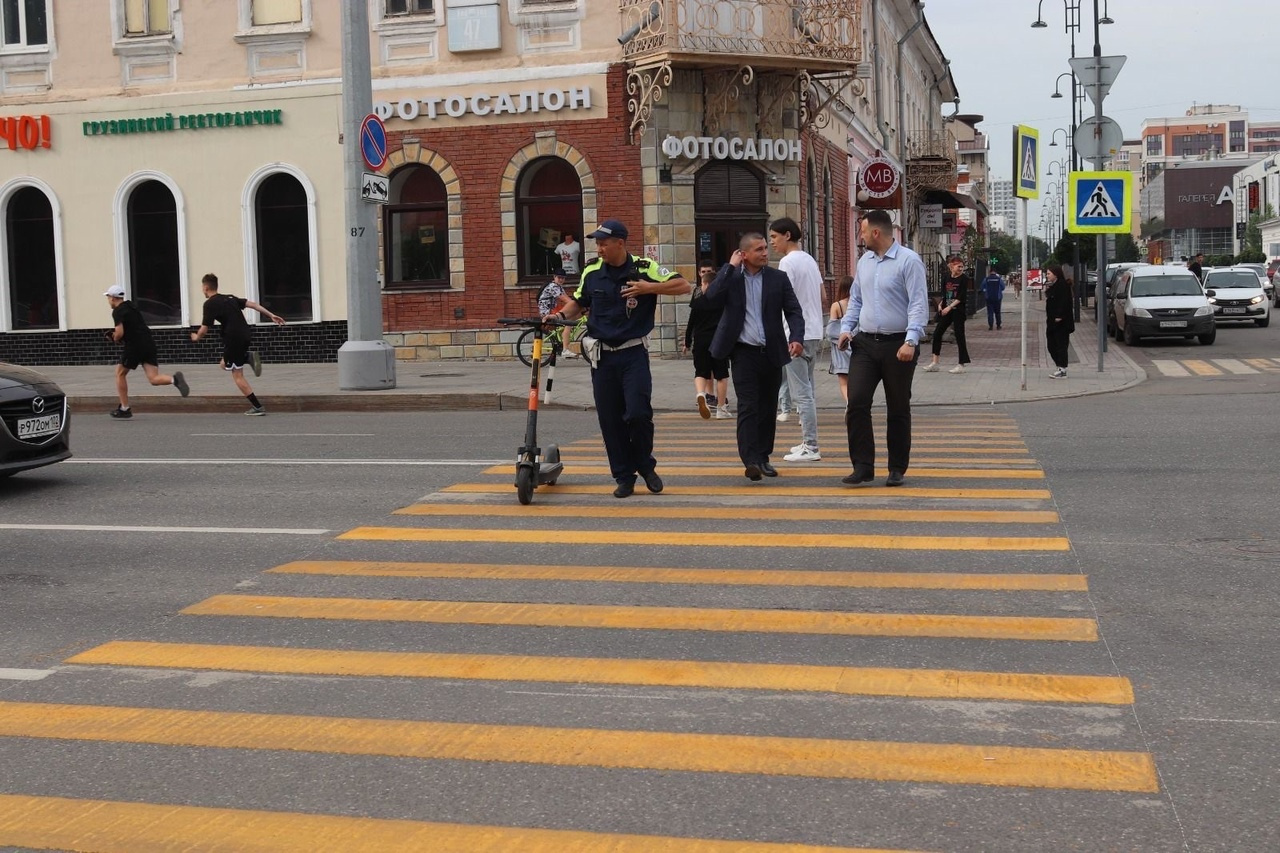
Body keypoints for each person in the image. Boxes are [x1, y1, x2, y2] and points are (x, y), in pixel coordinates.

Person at [545, 220, 690, 498]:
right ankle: (624, 476)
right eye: (597, 243)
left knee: (638, 413)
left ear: (620, 243)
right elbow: (579, 302)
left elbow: (683, 285)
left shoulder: (644, 268)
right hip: (602, 356)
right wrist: (560, 317)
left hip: (633, 353)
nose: (599, 248)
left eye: (603, 243)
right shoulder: (592, 271)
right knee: (610, 420)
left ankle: (645, 466)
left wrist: (648, 289)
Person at [702, 233, 804, 481]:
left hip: (771, 352)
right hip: (743, 353)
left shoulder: (777, 278)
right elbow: (711, 297)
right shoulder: (732, 279)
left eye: (766, 248)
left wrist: (797, 338)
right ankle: (750, 461)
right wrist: (729, 266)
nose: (765, 253)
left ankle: (763, 457)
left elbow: (794, 311)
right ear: (744, 254)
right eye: (758, 249)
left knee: (768, 407)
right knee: (748, 406)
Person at [837, 209, 928, 487]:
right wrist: (845, 329)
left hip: (898, 345)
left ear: (875, 232)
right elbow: (856, 301)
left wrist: (911, 340)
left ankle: (897, 467)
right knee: (857, 403)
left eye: (863, 231)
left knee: (898, 407)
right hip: (864, 343)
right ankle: (863, 466)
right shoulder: (864, 262)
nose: (861, 236)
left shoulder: (909, 261)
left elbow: (918, 304)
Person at [768, 217, 824, 463]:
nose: (772, 243)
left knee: (802, 393)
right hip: (813, 331)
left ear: (787, 235)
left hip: (795, 335)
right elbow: (822, 295)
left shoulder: (787, 263)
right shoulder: (810, 260)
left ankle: (811, 446)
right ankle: (807, 442)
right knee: (807, 389)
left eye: (774, 237)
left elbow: (783, 299)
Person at [190, 273, 285, 416]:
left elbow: (204, 329)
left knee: (237, 375)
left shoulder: (209, 304)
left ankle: (257, 406)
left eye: (202, 288)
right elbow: (253, 305)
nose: (202, 290)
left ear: (205, 287)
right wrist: (271, 315)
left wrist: (196, 337)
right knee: (223, 364)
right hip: (246, 334)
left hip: (233, 338)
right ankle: (247, 357)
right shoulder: (230, 298)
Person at [103, 284, 189, 418]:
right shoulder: (132, 306)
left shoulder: (118, 311)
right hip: (148, 343)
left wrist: (114, 337)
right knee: (153, 378)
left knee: (120, 373)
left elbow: (119, 333)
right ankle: (175, 380)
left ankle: (124, 408)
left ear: (113, 298)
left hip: (134, 346)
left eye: (108, 297)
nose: (108, 300)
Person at [683, 263, 731, 419]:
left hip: (701, 341)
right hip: (719, 341)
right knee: (721, 375)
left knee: (701, 372)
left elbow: (691, 323)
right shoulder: (723, 302)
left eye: (703, 284)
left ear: (706, 284)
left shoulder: (698, 302)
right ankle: (721, 408)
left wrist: (687, 342)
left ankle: (701, 394)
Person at [921, 254, 971, 374]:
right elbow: (945, 293)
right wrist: (941, 304)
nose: (960, 269)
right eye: (958, 266)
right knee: (938, 333)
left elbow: (961, 297)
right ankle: (935, 362)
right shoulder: (946, 278)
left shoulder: (964, 279)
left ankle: (961, 364)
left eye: (962, 267)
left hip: (958, 310)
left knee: (959, 336)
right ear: (951, 266)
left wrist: (949, 307)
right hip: (946, 309)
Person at [1044, 262, 1075, 379]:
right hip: (1053, 322)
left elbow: (1064, 302)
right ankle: (1060, 367)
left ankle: (1062, 369)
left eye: (1048, 273)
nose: (1047, 276)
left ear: (1055, 274)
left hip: (1060, 323)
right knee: (1052, 344)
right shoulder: (1055, 285)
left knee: (1060, 345)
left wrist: (1059, 316)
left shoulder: (1062, 285)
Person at [537, 268, 577, 358]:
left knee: (567, 315)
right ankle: (565, 349)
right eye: (559, 277)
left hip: (553, 310)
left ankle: (561, 342)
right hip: (547, 312)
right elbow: (566, 300)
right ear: (554, 277)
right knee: (568, 321)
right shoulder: (553, 287)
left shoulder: (559, 287)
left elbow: (568, 300)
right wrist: (577, 305)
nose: (561, 280)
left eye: (563, 278)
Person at [827, 277, 852, 402]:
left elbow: (831, 330)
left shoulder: (837, 305)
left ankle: (849, 403)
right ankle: (854, 403)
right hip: (856, 346)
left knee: (843, 382)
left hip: (841, 348)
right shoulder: (858, 304)